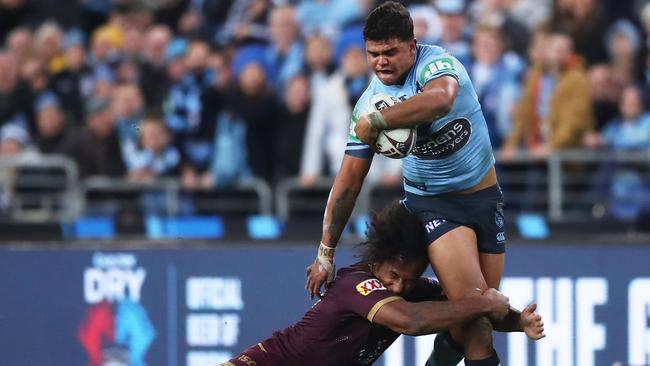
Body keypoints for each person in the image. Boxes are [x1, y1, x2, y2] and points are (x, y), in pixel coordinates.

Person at [305, 2, 510, 365]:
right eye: (373, 54)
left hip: (485, 197)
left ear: (412, 47)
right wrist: (325, 251)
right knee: (477, 316)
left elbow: (442, 99)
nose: (380, 61)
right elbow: (349, 180)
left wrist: (380, 121)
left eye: (390, 52)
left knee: (471, 323)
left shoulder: (437, 65)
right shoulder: (367, 103)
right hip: (433, 206)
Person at [224, 202, 544, 366]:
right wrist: (487, 301)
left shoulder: (412, 289)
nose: (400, 288)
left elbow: (463, 309)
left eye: (409, 279)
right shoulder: (356, 283)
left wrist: (518, 322)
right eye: (393, 276)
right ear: (376, 262)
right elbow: (411, 321)